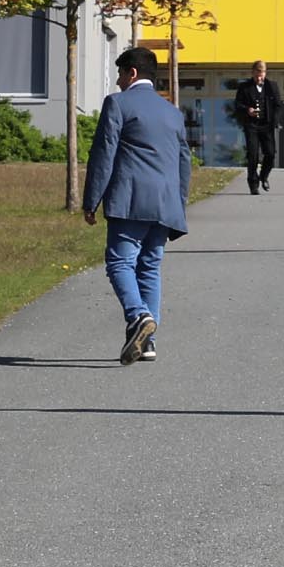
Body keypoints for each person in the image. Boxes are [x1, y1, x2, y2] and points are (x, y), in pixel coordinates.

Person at [80, 43, 190, 364]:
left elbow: (103, 154)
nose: (116, 82)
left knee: (119, 262)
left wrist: (91, 200)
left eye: (119, 75)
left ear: (132, 73)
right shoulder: (173, 112)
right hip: (165, 203)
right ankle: (149, 341)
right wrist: (178, 204)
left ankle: (138, 315)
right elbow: (184, 162)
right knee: (150, 267)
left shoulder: (118, 104)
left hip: (130, 201)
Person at [230, 57, 284, 194]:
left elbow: (278, 106)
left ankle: (264, 176)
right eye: (258, 72)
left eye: (263, 72)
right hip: (251, 126)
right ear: (253, 72)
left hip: (267, 125)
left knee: (270, 154)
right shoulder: (244, 87)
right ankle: (253, 184)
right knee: (253, 155)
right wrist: (247, 110)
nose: (261, 75)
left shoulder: (272, 86)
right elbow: (237, 105)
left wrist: (275, 122)